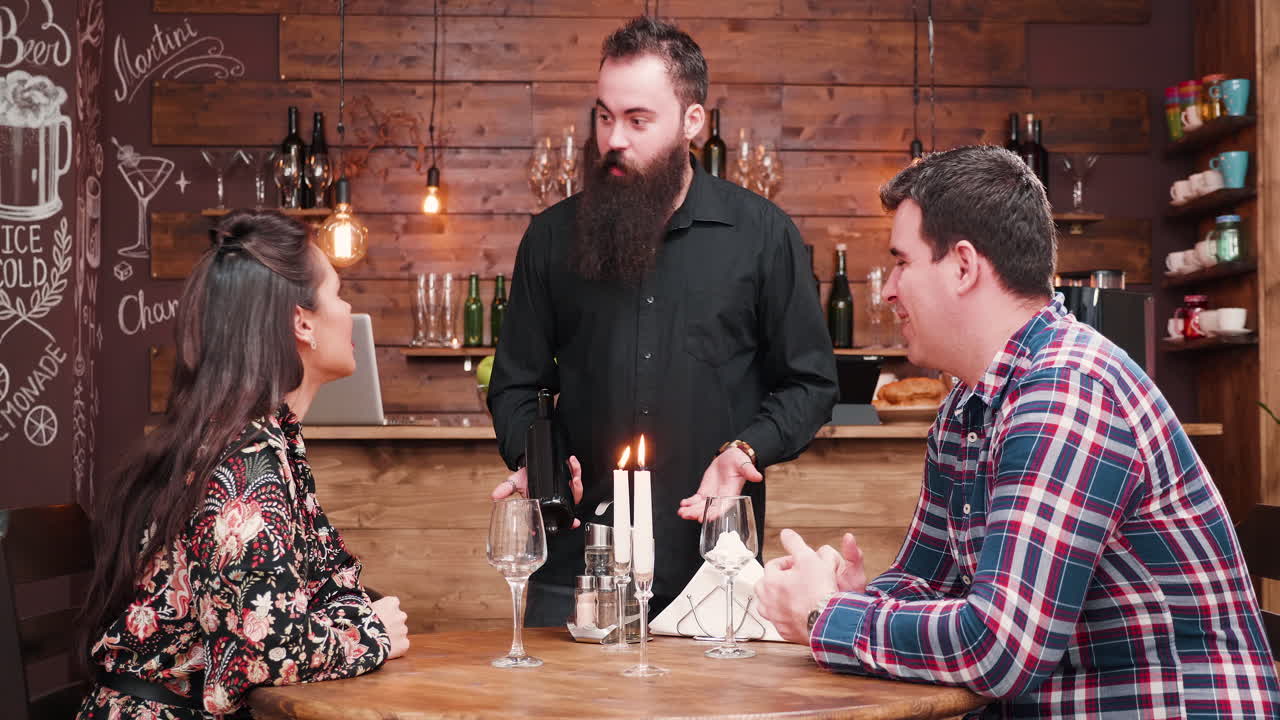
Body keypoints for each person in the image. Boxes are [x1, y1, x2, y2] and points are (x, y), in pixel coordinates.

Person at [754, 145, 1280, 718]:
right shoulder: (967, 401)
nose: (888, 290)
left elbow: (1000, 648)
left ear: (962, 266)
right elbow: (927, 579)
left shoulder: (1068, 391)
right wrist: (851, 599)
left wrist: (822, 616)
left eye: (902, 262)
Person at [488, 16, 837, 624]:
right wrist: (536, 459)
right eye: (604, 116)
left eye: (637, 120)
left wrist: (744, 449)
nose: (613, 139)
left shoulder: (761, 235)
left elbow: (810, 384)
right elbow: (515, 384)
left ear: (692, 122)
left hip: (712, 564)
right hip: (576, 566)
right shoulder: (549, 239)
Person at [76, 211, 410, 719]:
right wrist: (373, 634)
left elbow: (325, 592)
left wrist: (348, 617)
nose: (348, 309)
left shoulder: (264, 441)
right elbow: (262, 650)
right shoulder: (245, 466)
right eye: (338, 294)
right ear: (302, 322)